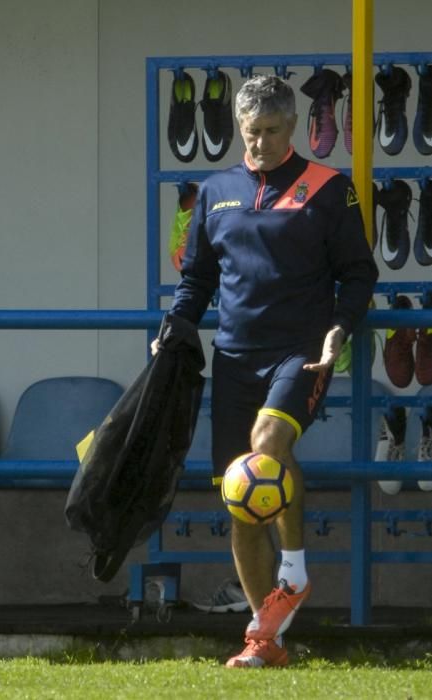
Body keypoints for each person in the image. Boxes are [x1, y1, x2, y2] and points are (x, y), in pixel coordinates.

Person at [152, 75, 378, 668]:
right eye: (250, 134)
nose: (258, 145)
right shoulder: (216, 189)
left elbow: (358, 273)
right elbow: (197, 279)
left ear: (292, 126)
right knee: (239, 497)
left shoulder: (330, 188)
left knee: (267, 445)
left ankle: (296, 570)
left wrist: (340, 327)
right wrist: (176, 324)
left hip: (300, 351)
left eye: (271, 133)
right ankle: (265, 637)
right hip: (233, 356)